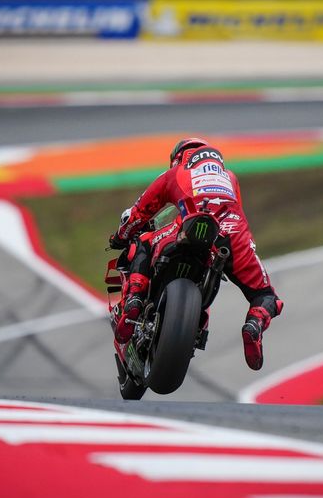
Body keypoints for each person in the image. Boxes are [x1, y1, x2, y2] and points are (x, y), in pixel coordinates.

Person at [108, 138, 283, 371]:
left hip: (188, 228)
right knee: (266, 295)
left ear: (179, 157)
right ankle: (254, 325)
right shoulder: (230, 178)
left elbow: (139, 213)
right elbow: (235, 211)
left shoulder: (176, 173)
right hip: (232, 235)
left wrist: (119, 237)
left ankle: (135, 301)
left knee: (143, 240)